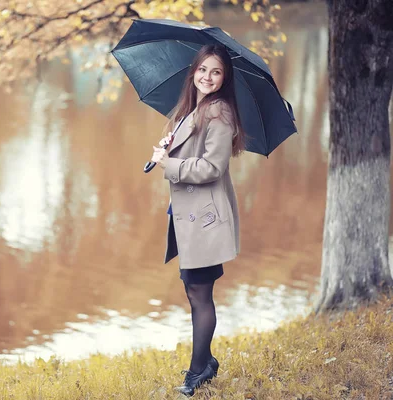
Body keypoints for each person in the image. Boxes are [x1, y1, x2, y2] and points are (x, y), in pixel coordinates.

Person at [150, 44, 245, 397]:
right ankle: (204, 362)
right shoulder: (193, 109)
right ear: (194, 71)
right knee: (194, 291)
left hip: (204, 219)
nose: (207, 76)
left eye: (216, 71)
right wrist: (169, 147)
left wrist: (169, 164)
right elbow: (191, 153)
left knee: (200, 293)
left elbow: (211, 167)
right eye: (203, 69)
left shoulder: (219, 113)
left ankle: (199, 370)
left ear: (224, 79)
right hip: (189, 216)